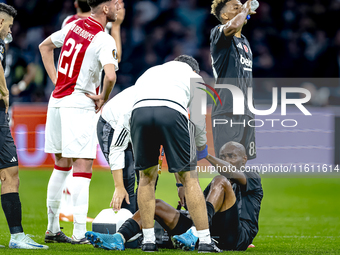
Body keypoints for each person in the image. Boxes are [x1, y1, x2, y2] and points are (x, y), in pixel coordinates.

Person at [39, 0, 121, 244]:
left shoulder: (74, 26)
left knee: (61, 163)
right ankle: (78, 233)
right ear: (104, 9)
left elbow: (44, 46)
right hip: (79, 101)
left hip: (57, 100)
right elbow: (111, 75)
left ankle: (52, 229)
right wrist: (103, 99)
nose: (118, 7)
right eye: (115, 3)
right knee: (83, 165)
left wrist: (56, 79)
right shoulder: (103, 38)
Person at [85, 142, 263, 252]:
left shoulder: (251, 177)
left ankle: (195, 234)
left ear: (244, 159)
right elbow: (200, 211)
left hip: (237, 238)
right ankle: (119, 238)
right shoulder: (215, 187)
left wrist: (207, 155)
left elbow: (228, 174)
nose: (226, 160)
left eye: (231, 156)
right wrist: (188, 208)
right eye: (223, 156)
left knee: (220, 180)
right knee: (156, 205)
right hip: (209, 234)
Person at [120, 55, 220, 252]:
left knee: (146, 178)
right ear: (194, 70)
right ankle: (206, 241)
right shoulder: (195, 78)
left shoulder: (149, 72)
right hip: (172, 112)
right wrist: (200, 147)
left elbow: (128, 110)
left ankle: (148, 241)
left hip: (139, 114)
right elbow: (198, 121)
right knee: (190, 179)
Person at [0, 3, 48, 249]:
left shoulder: (10, 48)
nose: (10, 30)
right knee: (10, 173)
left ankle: (17, 235)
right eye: (8, 25)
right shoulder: (1, 45)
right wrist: (6, 92)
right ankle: (17, 236)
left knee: (8, 173)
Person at [210, 0, 257, 160]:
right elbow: (231, 27)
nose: (242, 9)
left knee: (242, 163)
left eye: (241, 6)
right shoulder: (218, 32)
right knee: (228, 164)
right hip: (227, 111)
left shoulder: (245, 42)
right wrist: (244, 11)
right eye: (236, 7)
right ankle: (219, 186)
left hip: (246, 111)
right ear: (224, 15)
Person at [97, 85, 138, 213]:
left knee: (149, 180)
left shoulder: (194, 89)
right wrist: (119, 186)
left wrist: (181, 185)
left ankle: (142, 226)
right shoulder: (129, 113)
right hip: (112, 124)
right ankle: (130, 229)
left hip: (136, 124)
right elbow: (117, 148)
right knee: (127, 178)